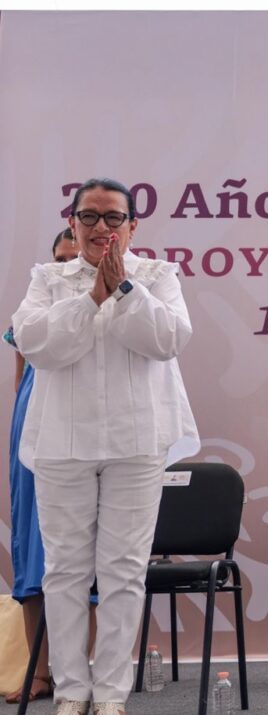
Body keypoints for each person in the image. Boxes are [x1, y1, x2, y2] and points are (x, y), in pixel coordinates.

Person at [12, 178, 200, 715]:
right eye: (89, 217)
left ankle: (112, 693)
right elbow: (38, 345)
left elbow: (168, 340)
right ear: (72, 222)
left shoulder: (158, 276)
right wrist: (92, 296)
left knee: (123, 569)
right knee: (65, 570)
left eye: (113, 218)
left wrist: (123, 291)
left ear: (132, 226)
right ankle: (73, 690)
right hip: (62, 444)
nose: (101, 228)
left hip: (136, 442)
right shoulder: (48, 278)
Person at [3, 229, 79, 704]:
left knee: (85, 562)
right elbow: (22, 376)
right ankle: (39, 673)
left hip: (86, 435)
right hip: (33, 434)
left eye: (74, 258)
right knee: (33, 552)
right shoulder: (31, 310)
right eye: (59, 258)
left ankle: (83, 675)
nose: (66, 265)